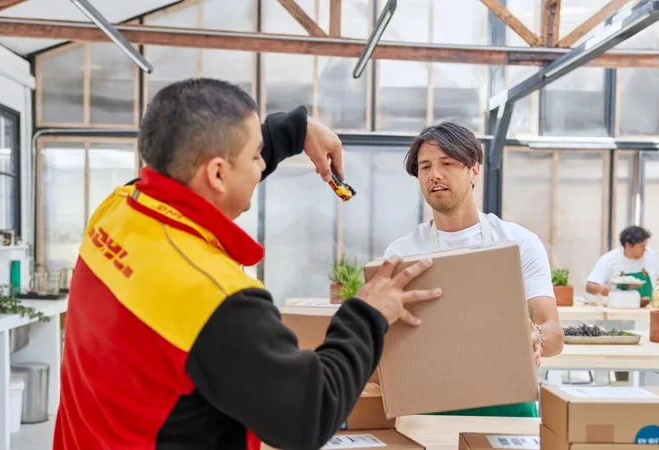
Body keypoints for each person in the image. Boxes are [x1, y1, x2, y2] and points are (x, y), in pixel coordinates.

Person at [52, 78, 442, 450]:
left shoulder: (119, 210)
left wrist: (294, 131)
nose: (261, 166)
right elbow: (306, 415)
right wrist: (368, 316)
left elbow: (190, 178)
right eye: (255, 155)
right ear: (218, 172)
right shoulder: (216, 301)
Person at [383, 122, 563, 418]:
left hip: (508, 409)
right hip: (426, 409)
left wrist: (536, 337)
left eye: (447, 163)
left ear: (474, 170)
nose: (434, 175)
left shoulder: (518, 242)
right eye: (425, 167)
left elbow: (554, 332)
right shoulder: (401, 255)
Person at [586, 225, 659, 299]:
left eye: (645, 245)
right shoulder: (609, 259)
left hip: (645, 310)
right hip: (618, 312)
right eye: (641, 246)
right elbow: (590, 286)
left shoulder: (649, 255)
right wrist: (603, 290)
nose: (644, 249)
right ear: (628, 245)